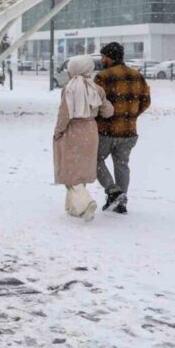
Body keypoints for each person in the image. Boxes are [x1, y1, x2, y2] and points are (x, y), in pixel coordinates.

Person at [53, 56, 114, 221]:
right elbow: (108, 112)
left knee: (70, 169)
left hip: (72, 130)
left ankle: (85, 203)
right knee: (81, 168)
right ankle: (73, 208)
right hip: (90, 130)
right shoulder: (97, 89)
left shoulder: (69, 88)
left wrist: (58, 132)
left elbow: (64, 114)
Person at [94, 42, 152, 214]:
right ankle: (121, 202)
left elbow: (95, 102)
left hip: (106, 130)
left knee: (95, 160)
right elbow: (146, 101)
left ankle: (113, 192)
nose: (102, 59)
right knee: (122, 165)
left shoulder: (102, 77)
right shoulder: (137, 75)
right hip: (128, 131)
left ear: (109, 57)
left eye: (103, 56)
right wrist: (130, 115)